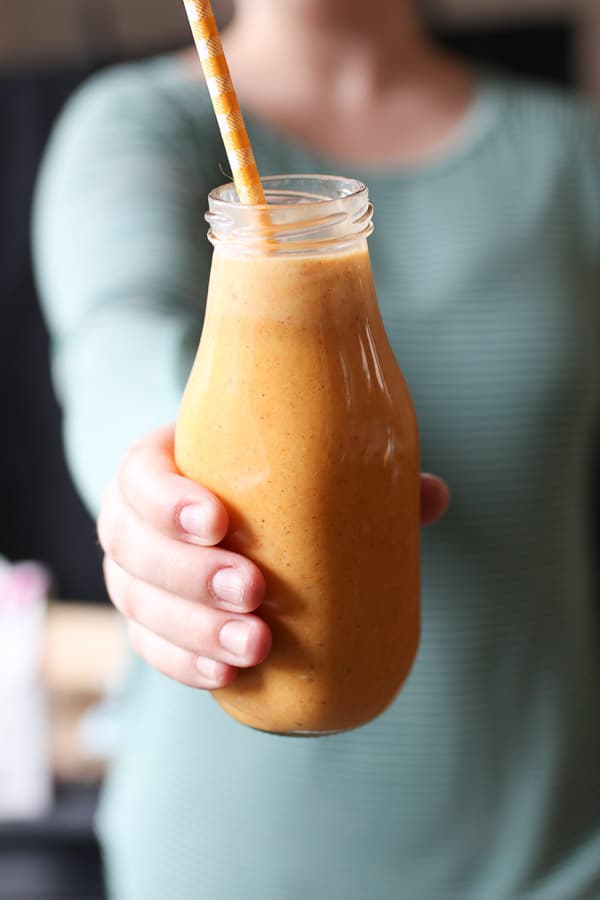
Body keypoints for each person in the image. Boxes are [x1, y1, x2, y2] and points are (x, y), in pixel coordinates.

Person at [33, 0, 600, 897]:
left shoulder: (575, 157)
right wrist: (157, 499)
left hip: (553, 854)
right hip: (226, 866)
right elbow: (118, 347)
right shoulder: (138, 126)